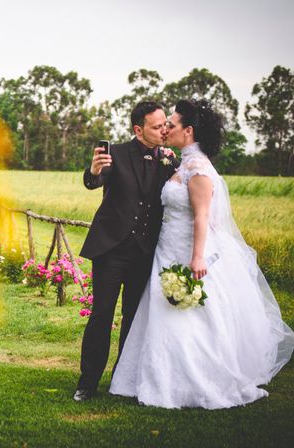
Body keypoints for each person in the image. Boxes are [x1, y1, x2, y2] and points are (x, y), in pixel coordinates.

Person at [109, 99, 294, 409]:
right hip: (165, 249)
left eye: (173, 124)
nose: (167, 128)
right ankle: (150, 377)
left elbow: (202, 217)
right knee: (161, 313)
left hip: (186, 252)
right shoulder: (183, 163)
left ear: (189, 131)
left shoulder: (199, 170)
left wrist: (196, 258)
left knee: (189, 316)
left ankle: (191, 381)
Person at [73, 101, 178, 402]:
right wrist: (93, 173)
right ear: (137, 129)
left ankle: (123, 379)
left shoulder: (169, 160)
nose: (163, 130)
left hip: (145, 253)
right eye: (157, 126)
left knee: (133, 318)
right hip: (111, 250)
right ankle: (87, 382)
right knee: (101, 315)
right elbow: (95, 180)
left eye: (165, 124)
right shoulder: (115, 154)